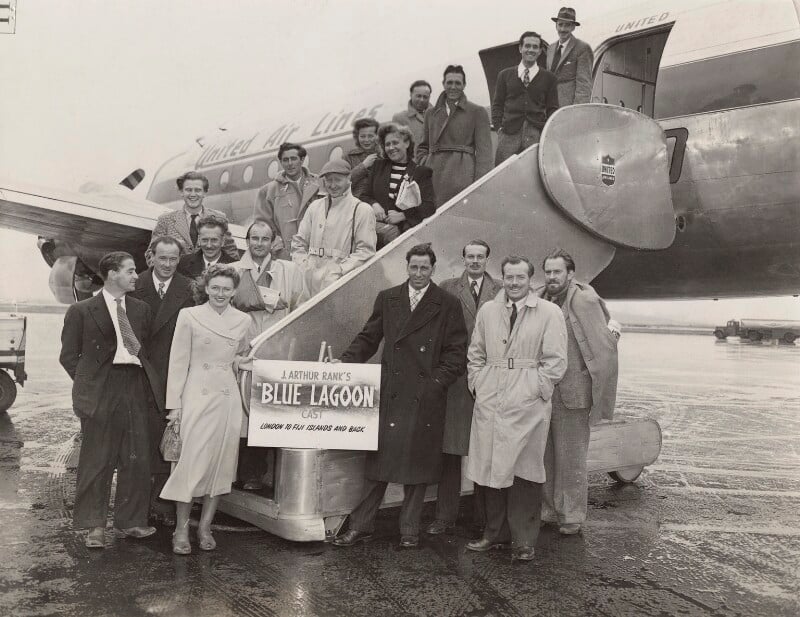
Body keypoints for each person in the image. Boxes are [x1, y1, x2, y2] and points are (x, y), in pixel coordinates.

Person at [333, 244, 467, 548]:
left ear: (433, 270)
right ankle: (360, 526)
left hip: (425, 395)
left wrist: (436, 383)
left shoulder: (447, 304)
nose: (418, 273)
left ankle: (409, 530)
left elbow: (456, 352)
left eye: (424, 268)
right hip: (391, 393)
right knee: (378, 466)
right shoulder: (388, 297)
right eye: (414, 267)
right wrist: (345, 362)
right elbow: (369, 337)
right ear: (406, 267)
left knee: (416, 469)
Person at [59, 251, 164, 548]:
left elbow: (146, 350)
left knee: (136, 456)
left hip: (135, 384)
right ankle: (94, 526)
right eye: (130, 271)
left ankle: (130, 522)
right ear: (112, 273)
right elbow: (68, 356)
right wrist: (91, 384)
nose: (136, 276)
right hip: (101, 387)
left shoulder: (141, 309)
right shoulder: (81, 310)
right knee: (97, 459)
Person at [466, 255, 567, 561]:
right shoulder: (488, 310)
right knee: (491, 467)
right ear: (502, 278)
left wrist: (538, 388)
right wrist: (477, 383)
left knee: (525, 469)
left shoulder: (549, 312)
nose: (513, 283)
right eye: (509, 277)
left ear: (530, 280)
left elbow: (556, 361)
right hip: (491, 393)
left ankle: (523, 541)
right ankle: (494, 534)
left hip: (527, 397)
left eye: (520, 277)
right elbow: (476, 352)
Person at [160, 264, 252, 555]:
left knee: (220, 465)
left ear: (234, 291)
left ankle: (205, 527)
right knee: (190, 463)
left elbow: (240, 354)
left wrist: (239, 362)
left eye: (226, 289)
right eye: (215, 288)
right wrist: (174, 407)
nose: (220, 294)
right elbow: (178, 362)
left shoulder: (244, 320)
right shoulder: (189, 315)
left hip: (226, 398)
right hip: (196, 396)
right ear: (206, 288)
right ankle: (181, 528)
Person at [539, 249, 618, 535]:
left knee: (571, 458)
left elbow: (605, 344)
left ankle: (571, 515)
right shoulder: (539, 300)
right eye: (548, 272)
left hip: (573, 393)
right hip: (543, 392)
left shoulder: (586, 301)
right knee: (545, 457)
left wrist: (593, 383)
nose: (552, 277)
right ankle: (548, 510)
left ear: (570, 274)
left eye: (557, 272)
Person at [427, 240, 502, 536]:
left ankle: (482, 518)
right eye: (470, 256)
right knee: (450, 451)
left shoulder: (501, 290)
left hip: (489, 379)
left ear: (487, 260)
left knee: (486, 450)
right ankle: (445, 516)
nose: (474, 261)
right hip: (456, 380)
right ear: (463, 259)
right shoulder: (447, 287)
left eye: (480, 256)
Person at [130, 236, 195, 526]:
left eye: (173, 259)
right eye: (162, 258)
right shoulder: (134, 284)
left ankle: (161, 501)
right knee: (139, 440)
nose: (167, 264)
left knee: (167, 438)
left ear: (179, 259)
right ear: (151, 256)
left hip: (172, 373)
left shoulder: (190, 288)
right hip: (139, 373)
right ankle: (137, 505)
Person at [291, 159, 377, 295]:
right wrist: (303, 265)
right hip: (308, 280)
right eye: (328, 180)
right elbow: (299, 242)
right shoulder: (315, 207)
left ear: (349, 179)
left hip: (340, 282)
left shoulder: (362, 210)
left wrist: (340, 270)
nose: (332, 185)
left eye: (337, 180)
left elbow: (365, 251)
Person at [417, 65, 492, 207]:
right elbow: (422, 147)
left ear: (464, 85)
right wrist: (426, 163)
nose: (453, 87)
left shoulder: (477, 111)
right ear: (443, 84)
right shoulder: (430, 113)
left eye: (458, 83)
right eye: (449, 82)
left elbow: (485, 155)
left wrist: (480, 185)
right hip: (434, 176)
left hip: (463, 176)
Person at [357, 123, 435, 248]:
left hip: (403, 234)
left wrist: (403, 215)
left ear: (407, 143)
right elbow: (364, 195)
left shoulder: (420, 172)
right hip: (376, 229)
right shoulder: (378, 166)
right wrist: (374, 204)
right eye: (387, 144)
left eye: (395, 143)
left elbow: (429, 206)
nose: (391, 147)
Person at [492, 32, 559, 166]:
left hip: (535, 137)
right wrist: (499, 129)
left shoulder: (549, 78)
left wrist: (544, 133)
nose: (531, 50)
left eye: (535, 47)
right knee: (504, 173)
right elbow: (497, 105)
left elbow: (552, 109)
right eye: (527, 46)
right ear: (520, 48)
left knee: (532, 172)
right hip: (508, 135)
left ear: (540, 51)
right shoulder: (504, 75)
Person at [147, 171, 238, 263]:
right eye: (188, 190)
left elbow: (232, 254)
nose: (193, 194)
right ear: (181, 192)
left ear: (205, 193)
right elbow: (151, 255)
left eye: (198, 190)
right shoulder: (165, 220)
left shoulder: (219, 218)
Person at [252, 142, 321, 259]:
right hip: (285, 256)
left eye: (293, 159)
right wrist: (276, 244)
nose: (290, 163)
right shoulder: (268, 191)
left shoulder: (319, 184)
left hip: (316, 254)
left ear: (302, 160)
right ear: (281, 162)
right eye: (285, 160)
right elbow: (262, 225)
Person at [547, 7, 594, 106]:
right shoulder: (550, 48)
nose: (562, 29)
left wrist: (576, 111)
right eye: (560, 25)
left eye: (567, 25)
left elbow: (584, 85)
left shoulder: (582, 48)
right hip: (549, 106)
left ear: (573, 27)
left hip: (567, 107)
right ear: (556, 25)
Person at [392, 80, 433, 152]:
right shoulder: (400, 118)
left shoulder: (439, 116)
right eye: (418, 96)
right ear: (411, 95)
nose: (422, 100)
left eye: (425, 97)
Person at [345, 117, 381, 189]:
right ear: (357, 137)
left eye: (370, 136)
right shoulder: (349, 157)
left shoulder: (384, 155)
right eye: (362, 136)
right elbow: (344, 182)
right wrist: (363, 166)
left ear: (377, 136)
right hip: (356, 196)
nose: (366, 140)